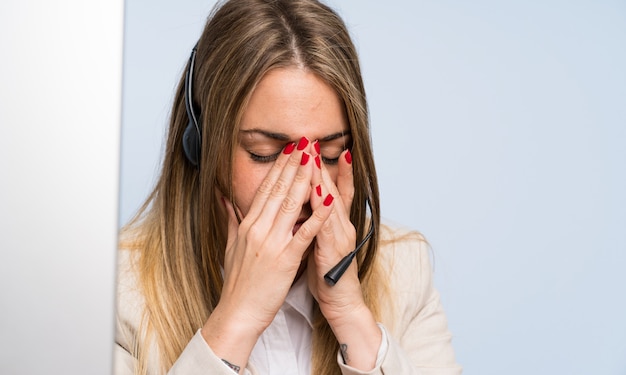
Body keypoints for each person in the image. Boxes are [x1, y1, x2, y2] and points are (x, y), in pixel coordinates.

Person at [114, 0, 462, 374]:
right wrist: (236, 320)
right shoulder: (113, 290)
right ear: (199, 144)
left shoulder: (406, 269)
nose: (304, 185)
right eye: (265, 154)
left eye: (329, 154)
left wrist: (350, 315)